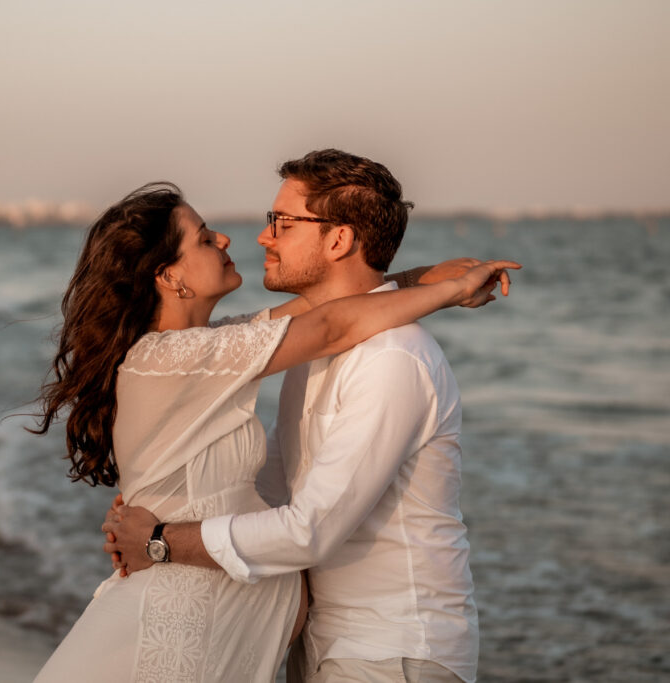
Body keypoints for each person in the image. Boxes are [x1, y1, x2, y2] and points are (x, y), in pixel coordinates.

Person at [34, 174, 517, 682]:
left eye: (282, 223)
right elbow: (331, 322)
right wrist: (449, 290)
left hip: (300, 637)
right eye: (202, 238)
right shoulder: (172, 357)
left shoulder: (218, 347)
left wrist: (418, 277)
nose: (232, 239)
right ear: (169, 276)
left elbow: (325, 308)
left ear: (338, 239)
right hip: (189, 622)